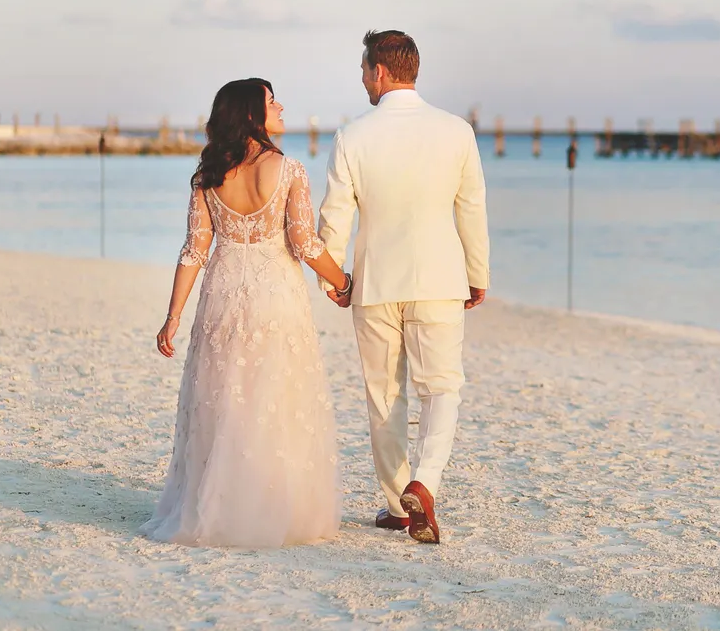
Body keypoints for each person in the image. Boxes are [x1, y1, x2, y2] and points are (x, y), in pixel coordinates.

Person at [144, 79, 352, 547]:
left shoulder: (208, 173)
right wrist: (342, 282)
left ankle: (217, 505)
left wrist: (173, 315)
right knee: (274, 397)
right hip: (275, 296)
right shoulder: (287, 168)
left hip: (221, 296)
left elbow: (194, 250)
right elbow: (304, 243)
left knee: (224, 398)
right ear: (253, 115)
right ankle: (272, 507)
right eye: (271, 100)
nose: (281, 106)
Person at [317, 30, 490, 545]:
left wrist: (335, 275)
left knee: (384, 396)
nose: (364, 78)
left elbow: (336, 217)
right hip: (439, 278)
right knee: (442, 388)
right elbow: (472, 208)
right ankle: (426, 483)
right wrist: (478, 275)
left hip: (375, 283)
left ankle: (398, 505)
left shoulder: (352, 136)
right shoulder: (457, 131)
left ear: (382, 72)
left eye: (365, 69)